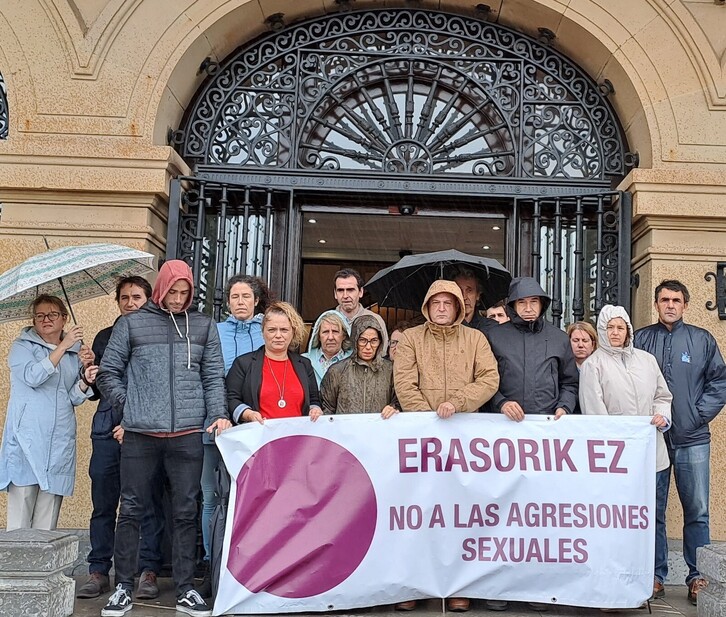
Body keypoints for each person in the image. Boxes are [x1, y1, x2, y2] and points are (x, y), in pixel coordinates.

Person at [97, 259, 231, 617]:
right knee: (131, 510)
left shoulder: (203, 326)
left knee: (186, 512)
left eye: (185, 292)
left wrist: (217, 415)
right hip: (141, 434)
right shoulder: (132, 323)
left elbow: (213, 376)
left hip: (187, 434)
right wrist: (130, 406)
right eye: (173, 291)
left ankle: (186, 588)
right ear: (161, 288)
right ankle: (123, 586)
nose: (178, 298)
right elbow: (108, 372)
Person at [393, 280, 499, 612]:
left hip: (464, 440)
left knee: (459, 516)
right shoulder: (411, 339)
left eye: (447, 302)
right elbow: (404, 382)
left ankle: (457, 586)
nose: (441, 307)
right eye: (435, 302)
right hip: (422, 441)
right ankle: (414, 585)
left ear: (458, 307)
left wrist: (457, 402)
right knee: (419, 515)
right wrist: (429, 419)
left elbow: (489, 378)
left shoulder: (476, 339)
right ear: (427, 306)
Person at [634, 280, 726, 605]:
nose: (670, 305)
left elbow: (720, 381)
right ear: (656, 304)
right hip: (653, 439)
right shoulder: (641, 340)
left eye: (676, 300)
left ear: (685, 305)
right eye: (664, 300)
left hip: (693, 439)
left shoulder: (702, 340)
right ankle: (655, 576)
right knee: (653, 509)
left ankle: (697, 577)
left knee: (697, 510)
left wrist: (697, 415)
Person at [76, 277, 165, 601]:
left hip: (143, 430)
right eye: (124, 297)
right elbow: (97, 391)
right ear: (118, 301)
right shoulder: (104, 337)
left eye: (136, 296)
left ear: (149, 299)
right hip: (105, 429)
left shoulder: (158, 336)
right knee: (104, 504)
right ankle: (99, 570)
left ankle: (147, 570)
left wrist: (133, 422)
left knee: (148, 503)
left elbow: (159, 388)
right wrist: (88, 373)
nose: (130, 302)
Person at [196, 275, 271, 596]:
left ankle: (251, 565)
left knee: (254, 498)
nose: (240, 301)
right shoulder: (214, 331)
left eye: (246, 296)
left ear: (256, 301)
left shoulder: (268, 332)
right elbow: (204, 375)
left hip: (255, 428)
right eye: (234, 296)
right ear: (227, 302)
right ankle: (213, 563)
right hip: (215, 425)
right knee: (211, 496)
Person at [0, 295, 96, 530]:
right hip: (27, 441)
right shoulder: (22, 347)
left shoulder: (74, 353)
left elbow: (72, 397)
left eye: (52, 314)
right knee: (20, 524)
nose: (46, 319)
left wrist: (85, 377)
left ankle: (45, 569)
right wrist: (63, 346)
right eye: (40, 315)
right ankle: (17, 568)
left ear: (64, 319)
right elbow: (33, 376)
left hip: (57, 442)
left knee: (46, 525)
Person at [579, 304, 672, 471]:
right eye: (610, 327)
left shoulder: (647, 360)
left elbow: (662, 396)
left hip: (652, 450)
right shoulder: (593, 365)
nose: (615, 332)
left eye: (620, 327)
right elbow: (595, 413)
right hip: (618, 456)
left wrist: (662, 416)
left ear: (628, 330)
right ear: (602, 330)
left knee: (656, 497)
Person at [487, 277, 579, 421]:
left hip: (548, 423)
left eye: (534, 302)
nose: (528, 308)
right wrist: (501, 403)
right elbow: (483, 380)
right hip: (503, 422)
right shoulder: (494, 337)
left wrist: (564, 406)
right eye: (522, 302)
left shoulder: (559, 338)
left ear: (542, 304)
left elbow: (570, 382)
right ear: (513, 305)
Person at [226, 302, 323, 423]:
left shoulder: (304, 364)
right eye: (272, 330)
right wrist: (248, 414)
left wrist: (315, 410)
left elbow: (314, 400)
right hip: (259, 437)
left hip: (297, 437)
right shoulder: (243, 363)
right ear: (262, 332)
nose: (278, 335)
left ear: (293, 332)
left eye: (284, 330)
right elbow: (231, 398)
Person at [320, 315, 398, 417]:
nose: (368, 347)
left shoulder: (390, 370)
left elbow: (400, 400)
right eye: (362, 340)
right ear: (354, 340)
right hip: (344, 432)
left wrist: (394, 407)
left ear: (380, 342)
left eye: (374, 341)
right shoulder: (337, 371)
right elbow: (326, 408)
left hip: (380, 430)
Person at [333, 268, 389, 352]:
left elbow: (382, 354)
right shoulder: (326, 321)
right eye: (340, 290)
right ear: (335, 294)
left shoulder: (375, 320)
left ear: (361, 292)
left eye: (350, 290)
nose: (345, 295)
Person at [303, 309, 352, 386]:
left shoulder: (354, 362)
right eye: (325, 332)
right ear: (318, 336)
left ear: (344, 336)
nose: (330, 337)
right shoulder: (304, 361)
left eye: (335, 331)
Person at [453, 267, 496, 334]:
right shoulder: (446, 327)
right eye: (459, 290)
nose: (464, 297)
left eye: (469, 291)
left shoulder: (491, 328)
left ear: (478, 295)